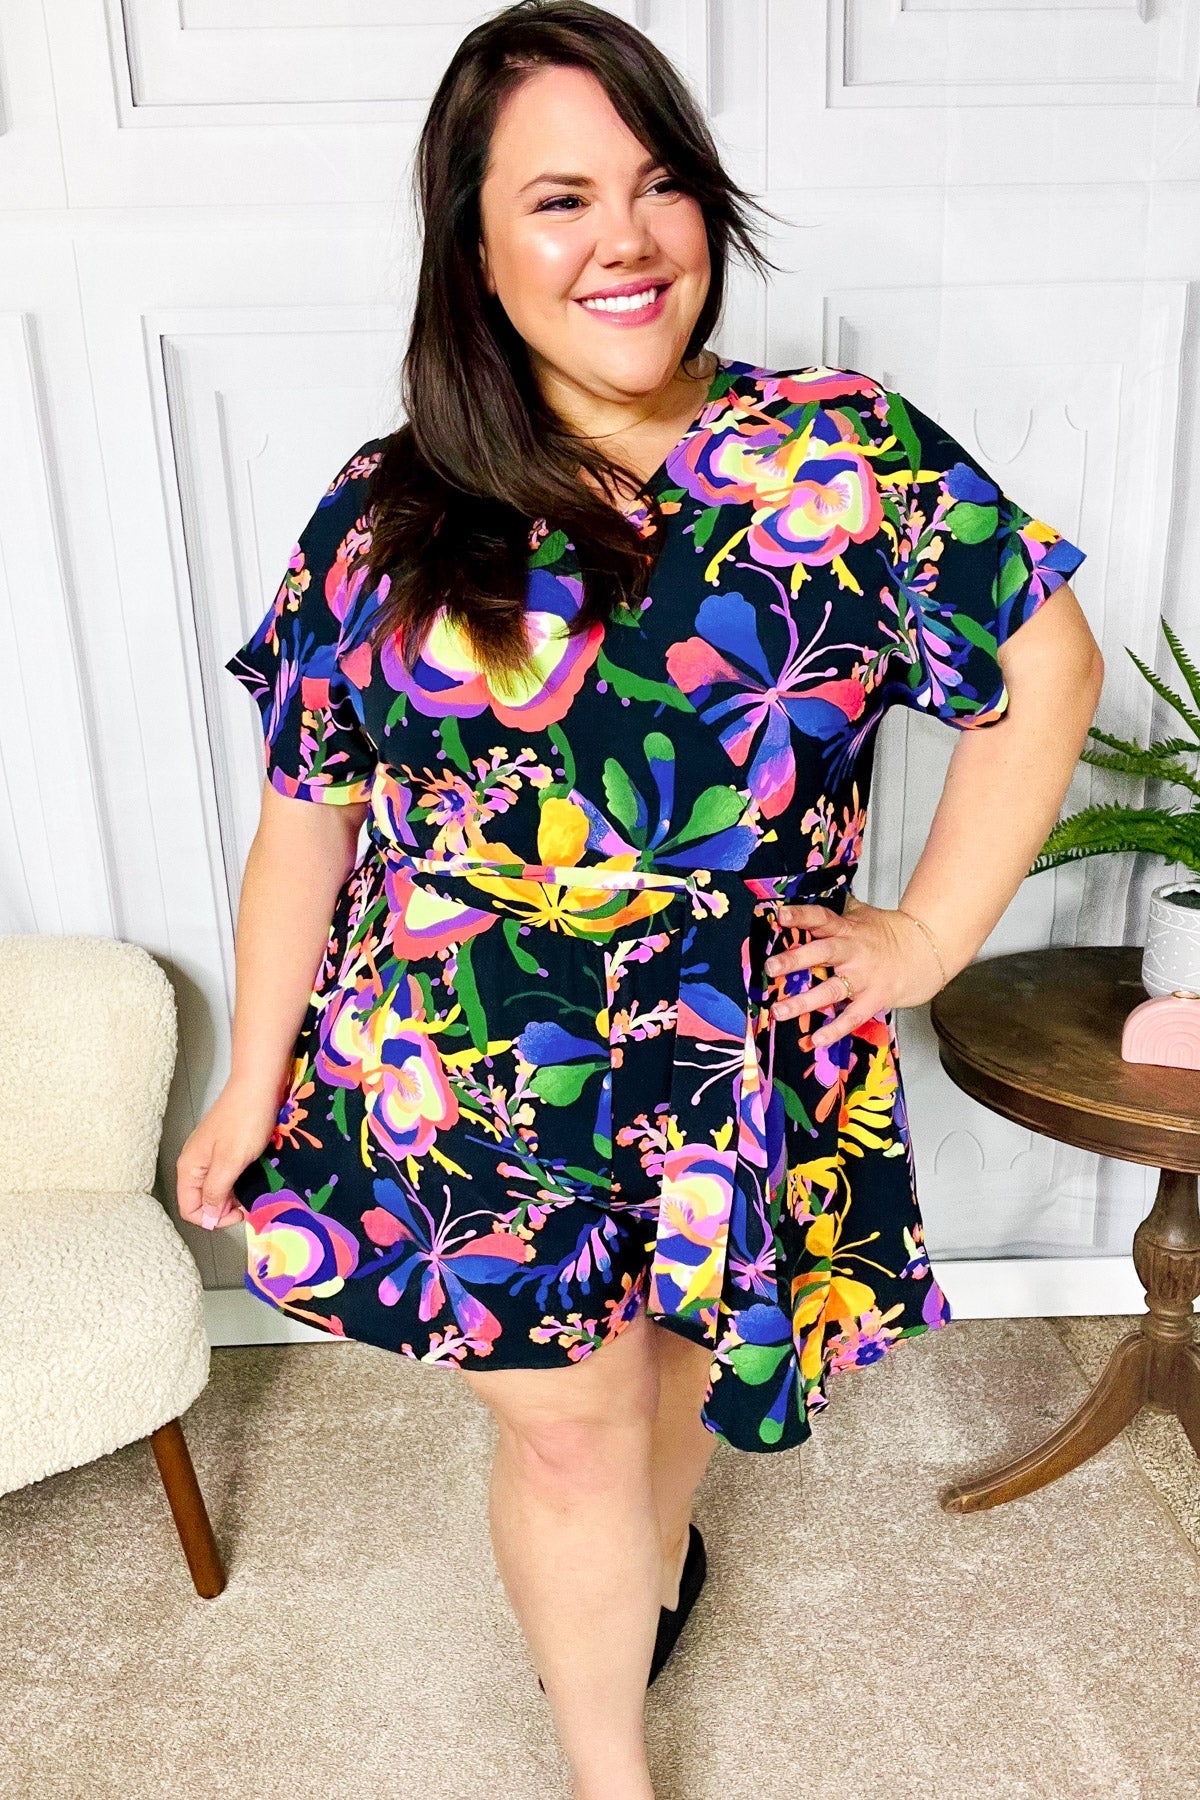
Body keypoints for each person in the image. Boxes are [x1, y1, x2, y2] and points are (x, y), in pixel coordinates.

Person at [176, 4, 1104, 1795]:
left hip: (729, 1042)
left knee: (675, 1383)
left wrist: (923, 937)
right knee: (575, 1433)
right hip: (461, 1061)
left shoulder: (844, 458)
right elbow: (308, 816)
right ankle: (612, 1768)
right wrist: (248, 1078)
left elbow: (1044, 667)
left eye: (661, 183)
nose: (627, 238)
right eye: (560, 198)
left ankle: (642, 1575)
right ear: (473, 247)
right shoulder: (388, 507)